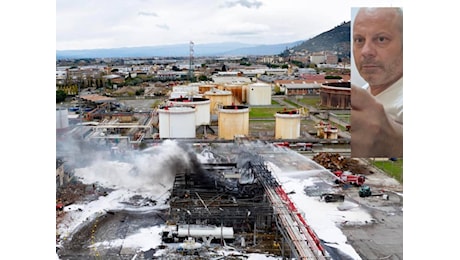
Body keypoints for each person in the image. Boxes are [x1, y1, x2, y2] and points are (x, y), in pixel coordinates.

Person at [351, 7, 403, 158]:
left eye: (381, 39)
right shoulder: (363, 93)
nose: (366, 51)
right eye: (359, 40)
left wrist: (396, 141)